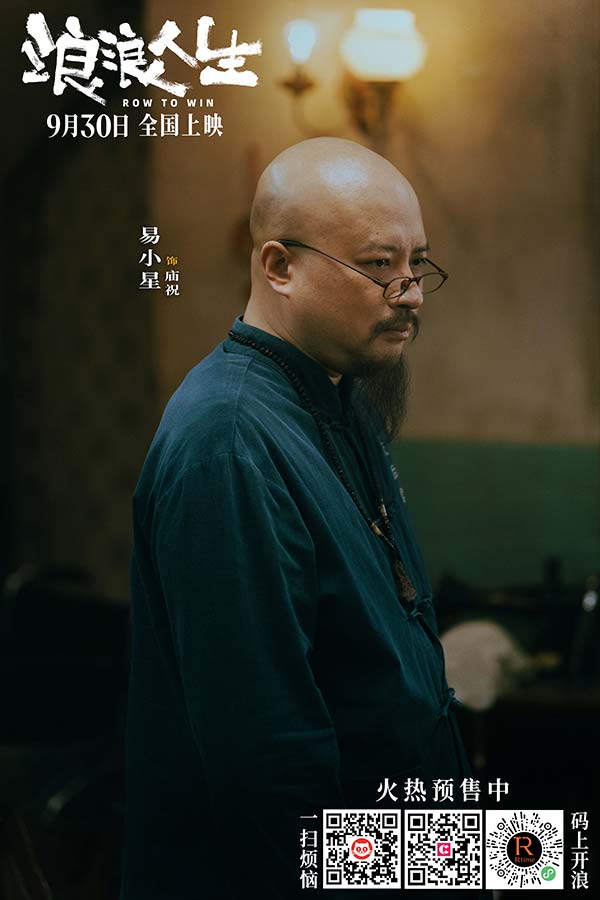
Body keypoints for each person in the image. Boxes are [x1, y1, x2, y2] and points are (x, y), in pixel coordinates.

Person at [121, 138, 488, 899]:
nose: (411, 293)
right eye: (379, 264)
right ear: (279, 266)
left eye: (417, 263)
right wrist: (506, 860)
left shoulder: (339, 391)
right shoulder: (228, 441)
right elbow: (273, 781)